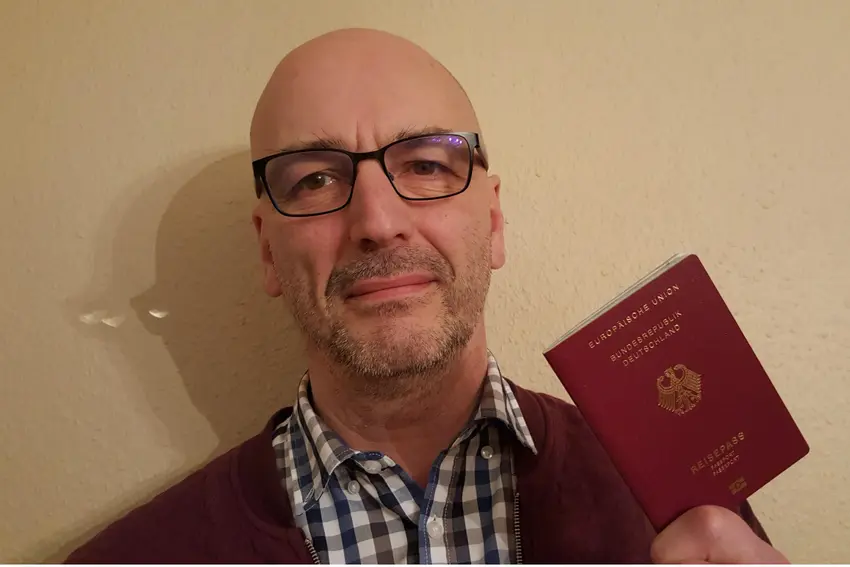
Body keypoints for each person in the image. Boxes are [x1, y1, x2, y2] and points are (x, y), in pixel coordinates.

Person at [66, 28, 788, 564]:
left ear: (494, 223)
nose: (378, 222)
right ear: (267, 251)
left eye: (426, 164)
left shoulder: (684, 505)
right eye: (314, 179)